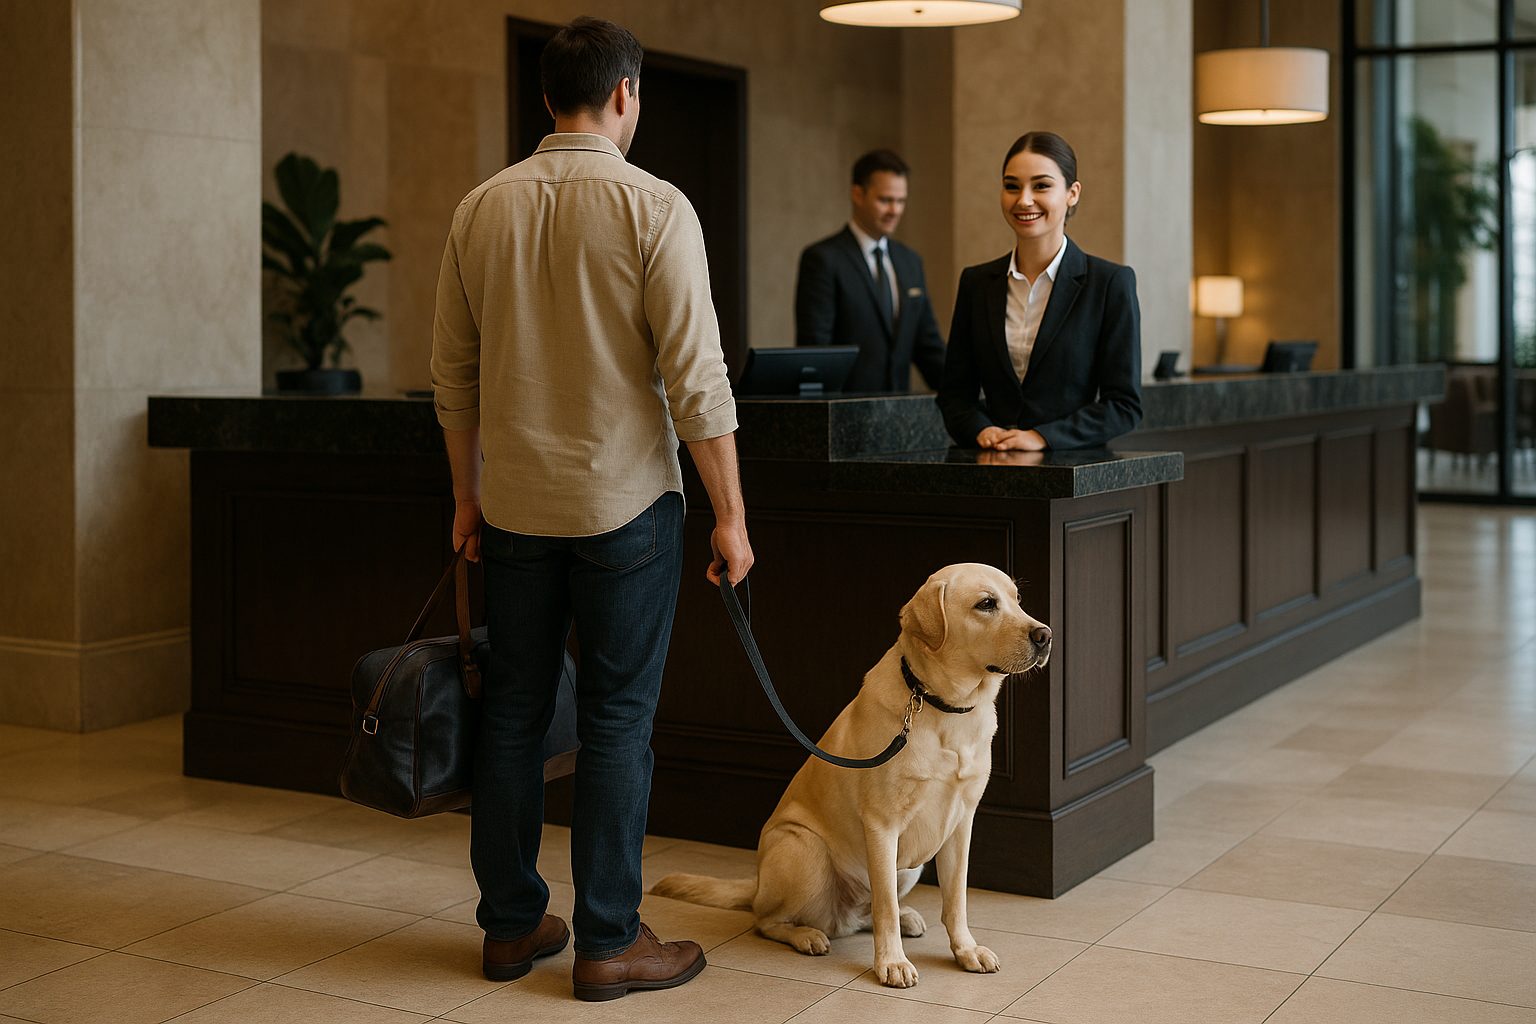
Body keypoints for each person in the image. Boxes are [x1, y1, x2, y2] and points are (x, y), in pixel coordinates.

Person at [429, 16, 753, 1003]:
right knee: (617, 719)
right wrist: (732, 516)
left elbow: (453, 376)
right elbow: (697, 381)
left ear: (545, 99)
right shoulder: (657, 208)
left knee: (516, 714)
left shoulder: (481, 208)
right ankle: (609, 939)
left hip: (519, 509)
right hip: (626, 509)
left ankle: (511, 923)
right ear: (624, 94)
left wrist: (468, 497)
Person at [936, 131, 1142, 450]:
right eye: (1012, 186)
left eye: (1041, 185)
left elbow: (1124, 405)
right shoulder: (976, 283)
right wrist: (981, 430)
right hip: (992, 470)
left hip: (1072, 476)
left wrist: (1043, 437)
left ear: (1072, 193)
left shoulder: (1110, 283)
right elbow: (954, 395)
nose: (1024, 200)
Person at [795, 149, 947, 392]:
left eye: (901, 201)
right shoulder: (822, 259)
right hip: (844, 416)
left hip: (899, 415)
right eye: (885, 200)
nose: (894, 210)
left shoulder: (911, 262)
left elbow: (928, 348)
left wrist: (973, 403)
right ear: (858, 194)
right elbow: (816, 354)